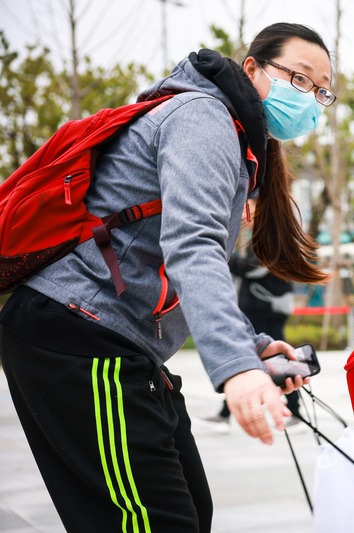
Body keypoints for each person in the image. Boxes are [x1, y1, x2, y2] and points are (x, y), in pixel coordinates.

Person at [0, 23, 333, 533]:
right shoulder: (203, 117)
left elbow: (176, 268)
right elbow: (191, 249)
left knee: (191, 514)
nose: (309, 97)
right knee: (160, 523)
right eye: (299, 78)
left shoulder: (238, 144)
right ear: (252, 69)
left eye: (321, 90)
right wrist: (235, 370)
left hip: (119, 342)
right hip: (81, 336)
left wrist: (254, 348)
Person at [204, 200, 301, 427]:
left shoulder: (270, 236)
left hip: (266, 309)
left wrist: (220, 254)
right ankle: (227, 413)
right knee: (259, 354)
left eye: (250, 210)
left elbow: (252, 269)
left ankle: (294, 411)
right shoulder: (263, 236)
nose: (245, 215)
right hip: (261, 308)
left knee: (268, 356)